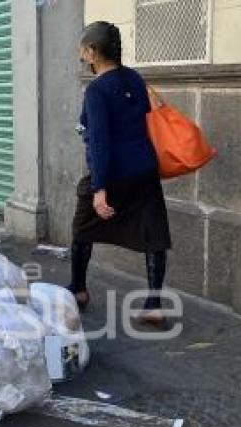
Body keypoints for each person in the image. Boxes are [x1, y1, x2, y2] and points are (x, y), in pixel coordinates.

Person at [69, 21, 171, 326]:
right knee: (153, 235)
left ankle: (78, 290)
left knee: (82, 229)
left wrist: (100, 188)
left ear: (94, 52)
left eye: (83, 48)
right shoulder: (135, 79)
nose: (81, 52)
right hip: (144, 169)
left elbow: (99, 140)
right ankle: (154, 304)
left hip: (113, 172)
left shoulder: (97, 90)